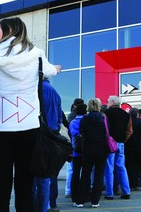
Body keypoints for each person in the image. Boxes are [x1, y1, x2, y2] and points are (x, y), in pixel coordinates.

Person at [0, 17, 60, 212]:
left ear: (9, 30)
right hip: (29, 128)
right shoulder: (36, 54)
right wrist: (55, 69)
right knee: (25, 186)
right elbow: (49, 71)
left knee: (1, 185)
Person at [33, 78, 62, 212]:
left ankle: (34, 207)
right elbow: (59, 119)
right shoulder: (55, 93)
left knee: (32, 176)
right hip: (51, 137)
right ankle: (50, 204)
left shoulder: (35, 88)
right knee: (48, 174)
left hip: (36, 134)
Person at [76, 98, 109, 208]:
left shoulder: (85, 119)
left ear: (88, 107)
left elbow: (81, 132)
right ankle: (95, 201)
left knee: (85, 174)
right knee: (99, 175)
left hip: (88, 149)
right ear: (99, 106)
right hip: (102, 149)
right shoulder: (104, 118)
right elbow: (108, 132)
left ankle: (80, 201)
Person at [104, 95, 133, 200]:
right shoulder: (126, 115)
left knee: (109, 168)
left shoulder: (106, 114)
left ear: (112, 102)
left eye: (108, 102)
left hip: (109, 143)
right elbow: (130, 131)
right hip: (121, 143)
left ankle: (109, 193)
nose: (107, 103)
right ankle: (126, 191)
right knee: (121, 167)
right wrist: (123, 140)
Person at [65, 98, 84, 198]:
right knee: (84, 172)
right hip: (84, 149)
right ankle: (82, 193)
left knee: (72, 171)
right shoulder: (85, 119)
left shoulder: (71, 118)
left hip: (74, 147)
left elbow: (69, 132)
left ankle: (70, 192)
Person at [68, 103, 87, 206]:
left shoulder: (72, 123)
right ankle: (85, 195)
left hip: (76, 151)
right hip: (86, 151)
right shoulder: (87, 121)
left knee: (75, 174)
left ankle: (74, 196)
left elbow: (71, 135)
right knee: (85, 174)